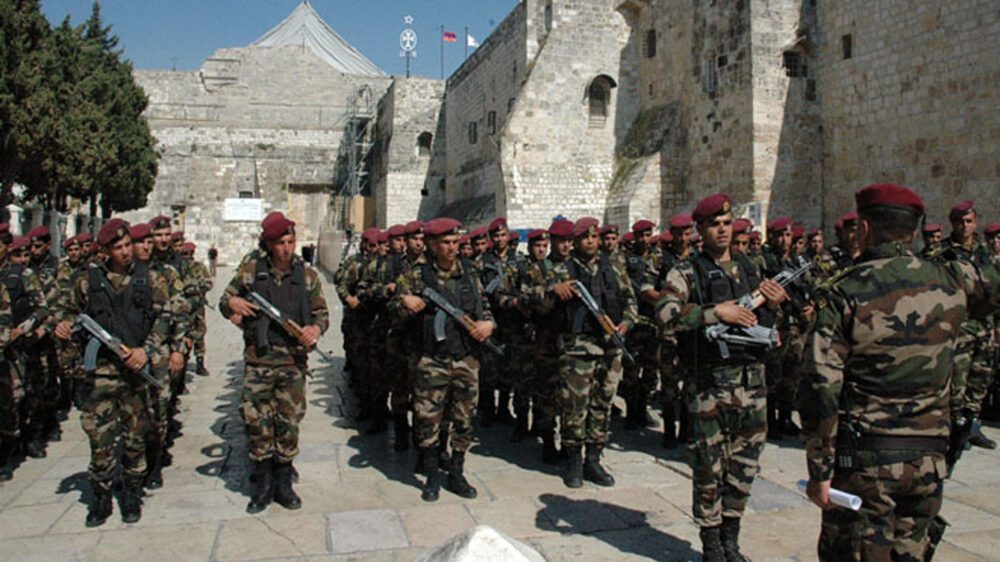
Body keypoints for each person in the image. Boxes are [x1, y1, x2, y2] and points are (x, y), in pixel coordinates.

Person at [798, 184, 1000, 561]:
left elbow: (819, 387)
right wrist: (961, 248)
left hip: (868, 463)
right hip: (929, 461)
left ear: (865, 229)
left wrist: (820, 471)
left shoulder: (845, 292)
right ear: (912, 231)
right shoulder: (951, 281)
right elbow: (992, 287)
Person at [656, 194, 787, 561]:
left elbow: (763, 320)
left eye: (727, 222)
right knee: (708, 466)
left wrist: (773, 305)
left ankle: (732, 537)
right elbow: (666, 314)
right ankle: (711, 544)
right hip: (711, 385)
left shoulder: (750, 267)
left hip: (752, 383)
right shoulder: (686, 271)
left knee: (745, 465)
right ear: (700, 230)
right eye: (715, 224)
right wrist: (716, 313)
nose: (723, 230)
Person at [54, 218, 186, 526]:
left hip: (135, 371)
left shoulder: (150, 278)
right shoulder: (88, 281)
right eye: (118, 247)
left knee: (134, 437)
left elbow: (165, 317)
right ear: (106, 251)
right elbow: (65, 310)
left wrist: (146, 351)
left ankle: (131, 494)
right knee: (100, 439)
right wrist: (63, 325)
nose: (126, 252)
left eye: (128, 245)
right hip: (100, 373)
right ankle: (100, 497)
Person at [219, 212, 329, 513]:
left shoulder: (307, 276)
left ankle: (283, 481)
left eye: (290, 241)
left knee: (288, 422)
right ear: (268, 244)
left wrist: (314, 330)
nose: (286, 248)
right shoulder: (252, 271)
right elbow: (224, 299)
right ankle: (263, 484)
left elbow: (322, 314)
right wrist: (233, 305)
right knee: (258, 423)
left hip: (293, 362)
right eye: (280, 242)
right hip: (259, 361)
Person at [390, 217, 494, 502]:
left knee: (463, 419)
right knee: (427, 419)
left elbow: (484, 308)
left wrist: (488, 325)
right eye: (446, 243)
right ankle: (432, 474)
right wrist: (403, 302)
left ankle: (457, 472)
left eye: (455, 242)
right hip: (432, 359)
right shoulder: (416, 275)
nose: (452, 248)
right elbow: (393, 309)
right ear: (433, 245)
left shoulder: (470, 274)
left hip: (465, 358)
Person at [540, 217, 638, 489]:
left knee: (602, 404)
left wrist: (626, 324)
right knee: (575, 406)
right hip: (578, 349)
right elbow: (536, 300)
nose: (591, 242)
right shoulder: (562, 270)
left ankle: (593, 459)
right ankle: (573, 460)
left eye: (594, 237)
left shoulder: (614, 268)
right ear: (576, 242)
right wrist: (553, 290)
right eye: (585, 238)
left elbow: (630, 300)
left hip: (610, 346)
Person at [935, 201, 997, 450]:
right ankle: (956, 427)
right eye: (960, 222)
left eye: (969, 221)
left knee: (980, 379)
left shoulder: (984, 250)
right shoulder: (944, 253)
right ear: (953, 224)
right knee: (957, 382)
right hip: (961, 327)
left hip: (985, 325)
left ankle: (972, 425)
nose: (965, 226)